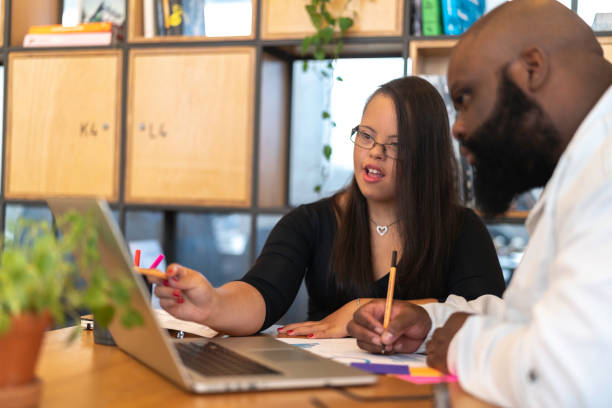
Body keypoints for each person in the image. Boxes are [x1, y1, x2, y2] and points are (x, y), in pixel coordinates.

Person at [347, 1, 612, 406]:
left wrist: (463, 344)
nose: (457, 128)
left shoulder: (604, 170)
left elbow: (563, 380)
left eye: (467, 98)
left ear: (532, 69)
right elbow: (533, 318)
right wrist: (433, 324)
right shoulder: (587, 165)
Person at [148, 76, 505, 339]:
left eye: (395, 145)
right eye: (366, 136)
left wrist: (362, 308)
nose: (374, 153)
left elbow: (487, 318)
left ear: (427, 158)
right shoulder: (311, 222)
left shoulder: (461, 229)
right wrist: (212, 304)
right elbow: (261, 293)